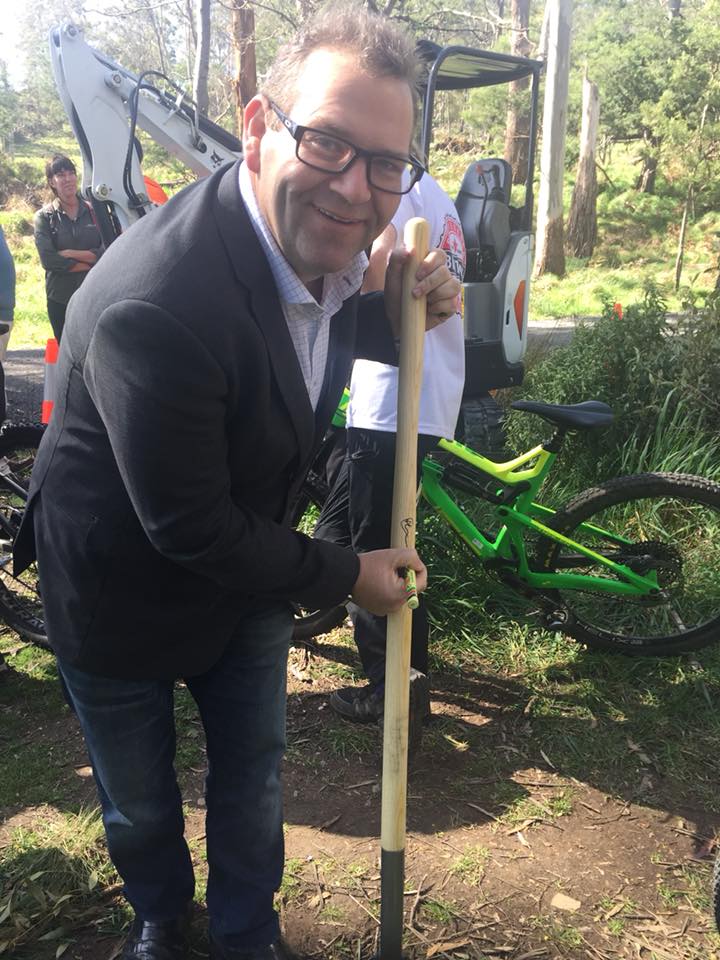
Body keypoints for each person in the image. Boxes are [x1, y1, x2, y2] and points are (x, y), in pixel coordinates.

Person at [14, 7, 461, 960]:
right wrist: (348, 574)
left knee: (253, 772)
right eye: (328, 142)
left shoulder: (318, 249)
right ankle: (160, 915)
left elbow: (294, 353)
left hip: (247, 558)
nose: (358, 188)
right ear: (258, 127)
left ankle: (247, 929)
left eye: (388, 164)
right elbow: (189, 526)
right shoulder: (156, 302)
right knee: (139, 795)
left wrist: (399, 314)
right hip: (118, 579)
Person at [315, 172, 466, 737]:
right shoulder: (439, 197)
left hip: (389, 400)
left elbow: (375, 280)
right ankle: (394, 673)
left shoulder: (390, 190)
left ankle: (395, 691)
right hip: (425, 395)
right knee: (341, 534)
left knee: (378, 555)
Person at [33, 154, 104, 342]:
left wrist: (70, 254)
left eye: (71, 173)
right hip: (60, 299)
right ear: (52, 182)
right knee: (67, 353)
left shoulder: (95, 212)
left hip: (95, 295)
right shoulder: (44, 217)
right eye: (61, 175)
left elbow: (107, 252)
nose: (68, 179)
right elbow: (49, 260)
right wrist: (91, 264)